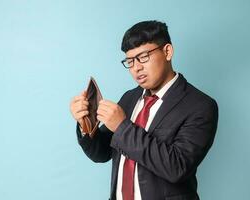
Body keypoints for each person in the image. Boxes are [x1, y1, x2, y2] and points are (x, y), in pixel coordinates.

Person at [70, 20, 218, 200]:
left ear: (167, 51)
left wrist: (122, 127)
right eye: (130, 61)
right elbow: (101, 153)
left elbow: (177, 168)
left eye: (144, 57)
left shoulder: (200, 105)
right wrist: (85, 124)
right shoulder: (129, 98)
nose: (136, 68)